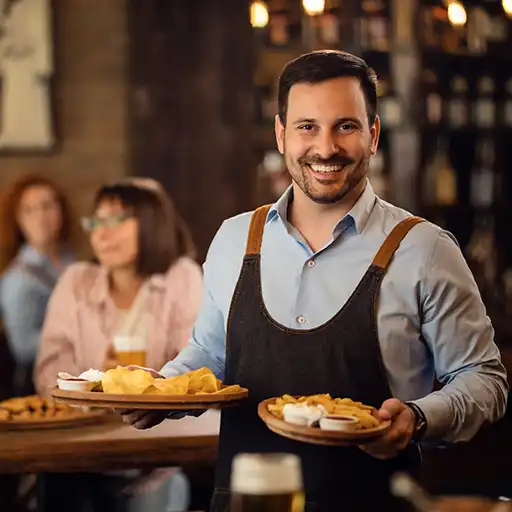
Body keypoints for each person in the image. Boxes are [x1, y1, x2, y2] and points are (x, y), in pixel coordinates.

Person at [121, 51, 509, 511]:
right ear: (281, 134)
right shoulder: (234, 239)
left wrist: (419, 418)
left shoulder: (423, 249)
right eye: (307, 127)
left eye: (345, 126)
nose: (325, 148)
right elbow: (210, 355)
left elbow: (483, 379)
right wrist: (161, 391)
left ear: (374, 134)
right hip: (248, 499)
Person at [35, 177, 203, 512]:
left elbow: (196, 370)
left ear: (151, 224)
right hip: (77, 451)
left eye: (117, 219)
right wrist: (96, 384)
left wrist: (138, 384)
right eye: (96, 221)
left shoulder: (180, 277)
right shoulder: (76, 281)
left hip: (155, 455)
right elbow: (47, 373)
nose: (101, 232)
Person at [0, 173, 76, 396]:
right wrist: (75, 337)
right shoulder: (19, 278)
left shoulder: (70, 260)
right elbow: (22, 347)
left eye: (47, 206)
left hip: (78, 376)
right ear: (17, 219)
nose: (41, 216)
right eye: (29, 210)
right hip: (41, 386)